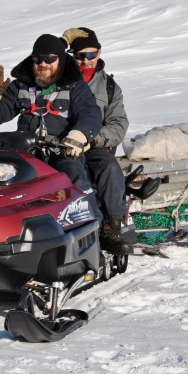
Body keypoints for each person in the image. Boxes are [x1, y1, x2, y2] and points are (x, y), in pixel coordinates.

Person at [0, 33, 103, 222]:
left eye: (50, 59)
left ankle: (91, 229)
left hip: (61, 151)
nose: (43, 64)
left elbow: (90, 113)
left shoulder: (74, 86)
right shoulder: (20, 85)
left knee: (74, 179)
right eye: (38, 59)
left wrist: (77, 136)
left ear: (60, 60)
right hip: (24, 153)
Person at [61, 27, 133, 254]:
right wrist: (61, 41)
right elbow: (44, 56)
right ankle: (84, 225)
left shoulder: (109, 87)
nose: (86, 61)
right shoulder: (59, 80)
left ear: (99, 52)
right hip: (62, 145)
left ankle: (112, 226)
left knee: (109, 168)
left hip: (94, 145)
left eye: (91, 55)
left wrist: (94, 140)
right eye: (80, 56)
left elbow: (118, 124)